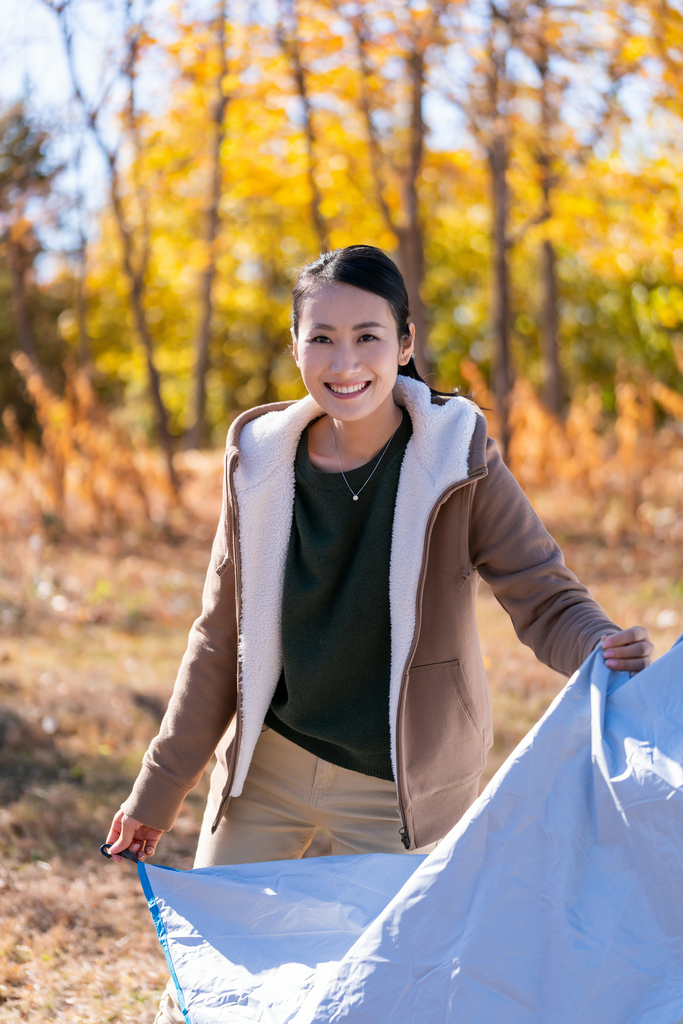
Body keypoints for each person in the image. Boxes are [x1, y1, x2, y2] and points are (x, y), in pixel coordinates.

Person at [106, 245, 653, 1024]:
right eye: (321, 337)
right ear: (294, 346)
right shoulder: (259, 463)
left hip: (399, 795)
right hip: (268, 774)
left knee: (388, 1001)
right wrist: (158, 790)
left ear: (404, 344)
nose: (344, 360)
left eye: (367, 336)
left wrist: (599, 646)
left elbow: (542, 594)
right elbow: (216, 639)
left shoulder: (456, 460)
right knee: (210, 991)